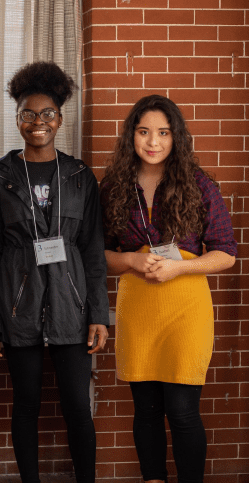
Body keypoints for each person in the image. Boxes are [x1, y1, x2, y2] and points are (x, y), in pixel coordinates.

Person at [0, 61, 109, 483]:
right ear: (16, 119)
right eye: (28, 114)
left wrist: (99, 314)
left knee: (76, 406)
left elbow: (92, 251)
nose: (38, 122)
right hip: (19, 306)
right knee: (26, 404)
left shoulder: (80, 176)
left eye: (47, 114)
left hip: (72, 306)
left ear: (60, 118)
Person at [100, 95, 236, 483]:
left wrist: (180, 268)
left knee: (182, 411)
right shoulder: (113, 186)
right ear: (132, 137)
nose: (153, 141)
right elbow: (97, 254)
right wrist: (131, 261)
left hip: (186, 307)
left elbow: (226, 253)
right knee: (145, 410)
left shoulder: (200, 185)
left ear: (176, 137)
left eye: (163, 132)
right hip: (138, 306)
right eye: (144, 132)